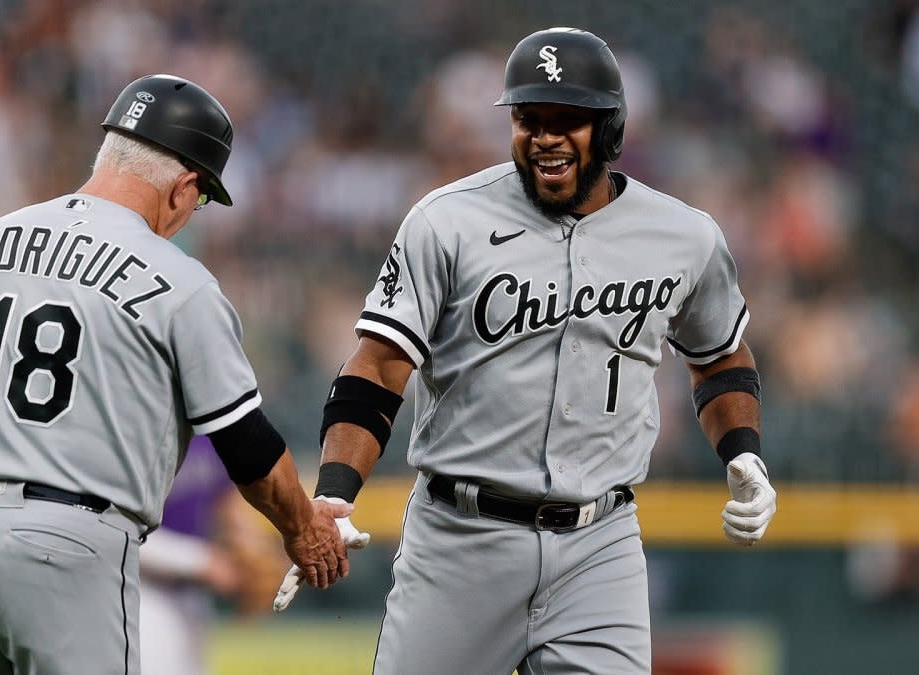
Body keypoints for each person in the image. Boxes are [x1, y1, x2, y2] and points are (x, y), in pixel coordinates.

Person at [273, 28, 778, 674]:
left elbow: (721, 353)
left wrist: (744, 453)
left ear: (612, 129)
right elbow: (376, 367)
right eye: (528, 118)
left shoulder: (684, 237)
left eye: (566, 120)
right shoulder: (447, 221)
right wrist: (337, 493)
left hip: (601, 544)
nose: (544, 136)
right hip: (461, 538)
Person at [0, 73, 356, 675]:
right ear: (184, 187)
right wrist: (304, 528)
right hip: (66, 543)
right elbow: (246, 447)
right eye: (200, 201)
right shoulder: (180, 281)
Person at [140, 436, 286, 675]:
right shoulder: (139, 430)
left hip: (190, 593)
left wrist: (258, 550)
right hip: (137, 588)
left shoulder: (209, 433)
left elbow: (226, 503)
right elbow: (118, 530)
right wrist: (204, 562)